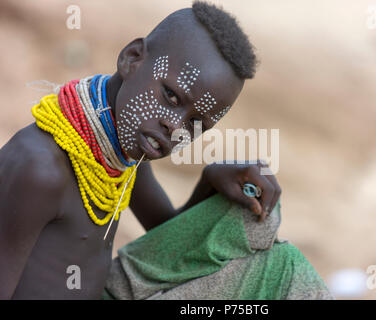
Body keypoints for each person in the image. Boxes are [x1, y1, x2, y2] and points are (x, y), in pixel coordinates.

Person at [0, 2, 283, 299]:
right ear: (132, 58)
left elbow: (167, 241)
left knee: (264, 241)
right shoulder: (39, 168)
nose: (176, 128)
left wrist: (209, 181)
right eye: (171, 96)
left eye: (196, 123)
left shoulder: (121, 154)